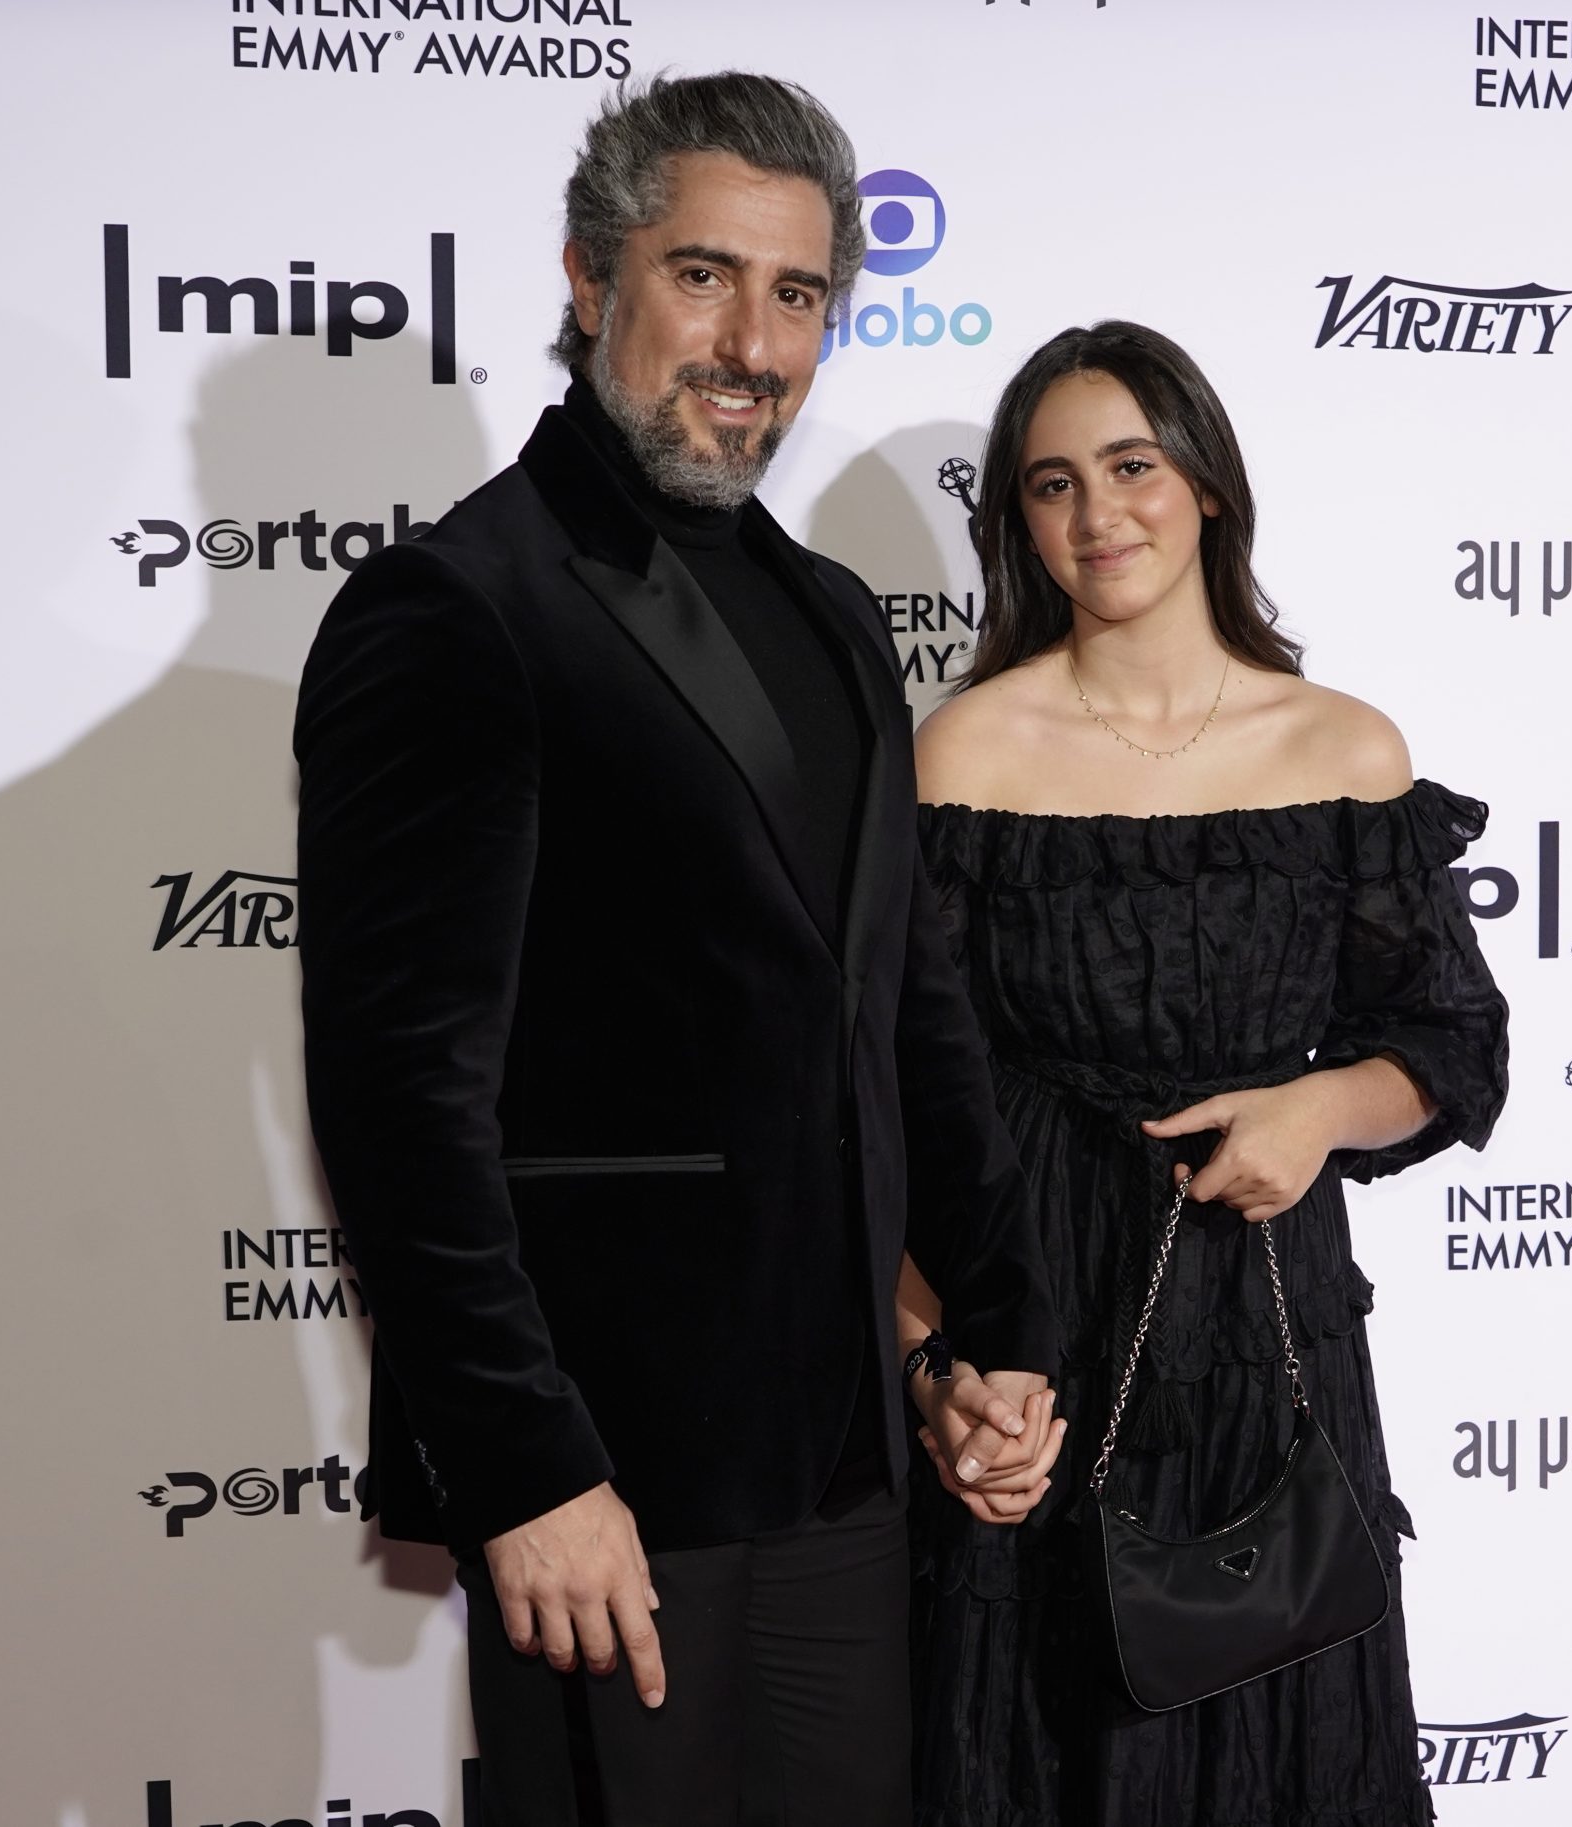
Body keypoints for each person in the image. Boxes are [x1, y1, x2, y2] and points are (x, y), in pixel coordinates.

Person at [292, 73, 1062, 1827]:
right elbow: (407, 1102)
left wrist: (1000, 1329)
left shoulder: (834, 611)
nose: (751, 343)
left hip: (848, 1478)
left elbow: (904, 1007)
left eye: (796, 296)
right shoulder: (462, 608)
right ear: (589, 280)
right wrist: (528, 1467)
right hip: (615, 1486)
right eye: (703, 275)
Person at [898, 321, 1510, 1826]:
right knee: (1029, 1748)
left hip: (1267, 1320)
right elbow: (911, 1106)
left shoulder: (1344, 749)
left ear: (1210, 487)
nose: (1097, 515)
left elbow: (1453, 1042)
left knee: (1282, 1748)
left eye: (1131, 466)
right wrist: (946, 1365)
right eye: (1052, 485)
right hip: (1035, 1328)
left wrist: (1317, 1111)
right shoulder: (964, 751)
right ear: (1016, 523)